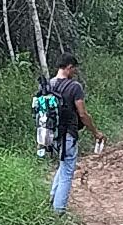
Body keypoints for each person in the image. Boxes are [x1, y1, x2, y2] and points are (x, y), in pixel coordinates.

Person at [44, 53, 105, 214]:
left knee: (62, 166)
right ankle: (59, 211)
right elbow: (83, 115)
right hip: (68, 134)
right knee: (67, 172)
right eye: (74, 69)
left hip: (51, 135)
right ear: (69, 67)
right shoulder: (74, 87)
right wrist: (95, 132)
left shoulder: (48, 85)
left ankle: (52, 199)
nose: (75, 72)